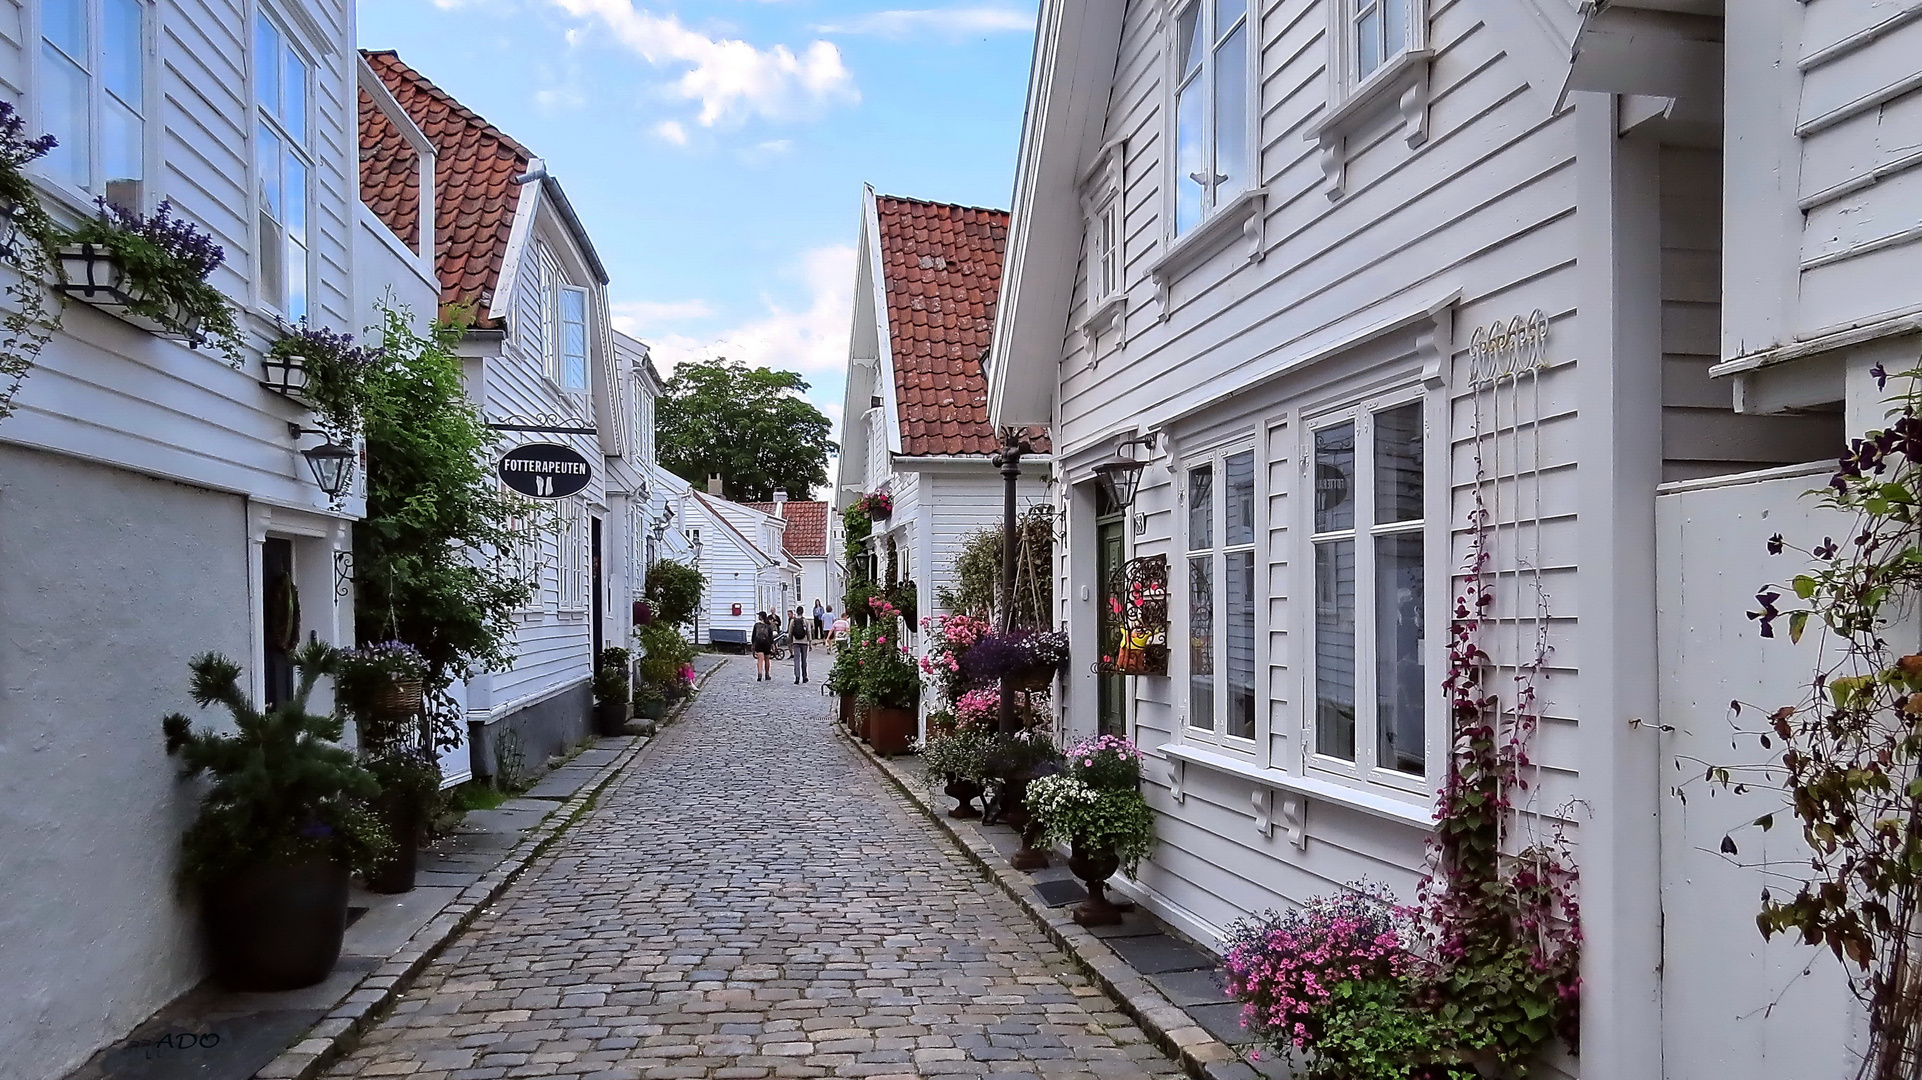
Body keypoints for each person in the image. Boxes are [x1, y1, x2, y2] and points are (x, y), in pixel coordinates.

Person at [788, 605, 812, 684]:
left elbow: (790, 632)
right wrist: (810, 642)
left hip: (796, 642)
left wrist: (790, 642)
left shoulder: (793, 621)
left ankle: (797, 677)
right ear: (802, 612)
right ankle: (804, 677)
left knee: (796, 660)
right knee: (804, 660)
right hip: (804, 642)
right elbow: (808, 632)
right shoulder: (805, 621)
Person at [750, 611, 774, 681]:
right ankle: (767, 674)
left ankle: (759, 674)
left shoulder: (756, 625)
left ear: (760, 617)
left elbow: (753, 636)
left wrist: (753, 644)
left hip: (759, 643)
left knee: (759, 660)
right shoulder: (768, 626)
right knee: (767, 659)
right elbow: (771, 637)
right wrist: (772, 645)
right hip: (767, 644)